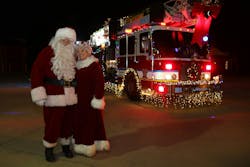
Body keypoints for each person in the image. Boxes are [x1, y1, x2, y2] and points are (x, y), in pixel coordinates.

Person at [30, 27, 77, 162]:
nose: (66, 42)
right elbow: (36, 71)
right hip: (53, 96)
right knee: (52, 124)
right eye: (63, 39)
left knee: (68, 123)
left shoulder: (73, 55)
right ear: (57, 39)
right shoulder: (47, 52)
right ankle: (49, 148)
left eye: (69, 40)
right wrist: (39, 93)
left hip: (70, 95)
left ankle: (66, 146)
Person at [73, 42, 110, 157]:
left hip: (91, 100)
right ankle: (101, 142)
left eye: (83, 51)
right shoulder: (77, 65)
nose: (80, 53)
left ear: (88, 52)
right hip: (80, 100)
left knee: (88, 123)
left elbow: (99, 83)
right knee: (95, 122)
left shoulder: (94, 65)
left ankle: (87, 145)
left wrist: (98, 98)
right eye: (78, 52)